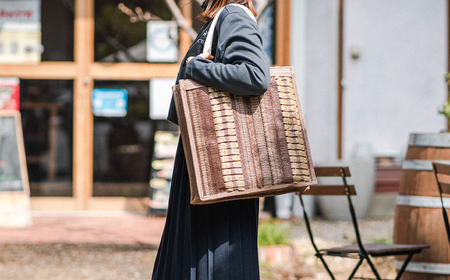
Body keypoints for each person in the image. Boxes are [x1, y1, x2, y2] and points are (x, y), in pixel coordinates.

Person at [152, 0, 270, 279]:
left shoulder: (233, 15)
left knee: (211, 253)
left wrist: (195, 68)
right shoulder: (221, 18)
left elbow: (255, 76)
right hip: (211, 157)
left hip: (220, 161)